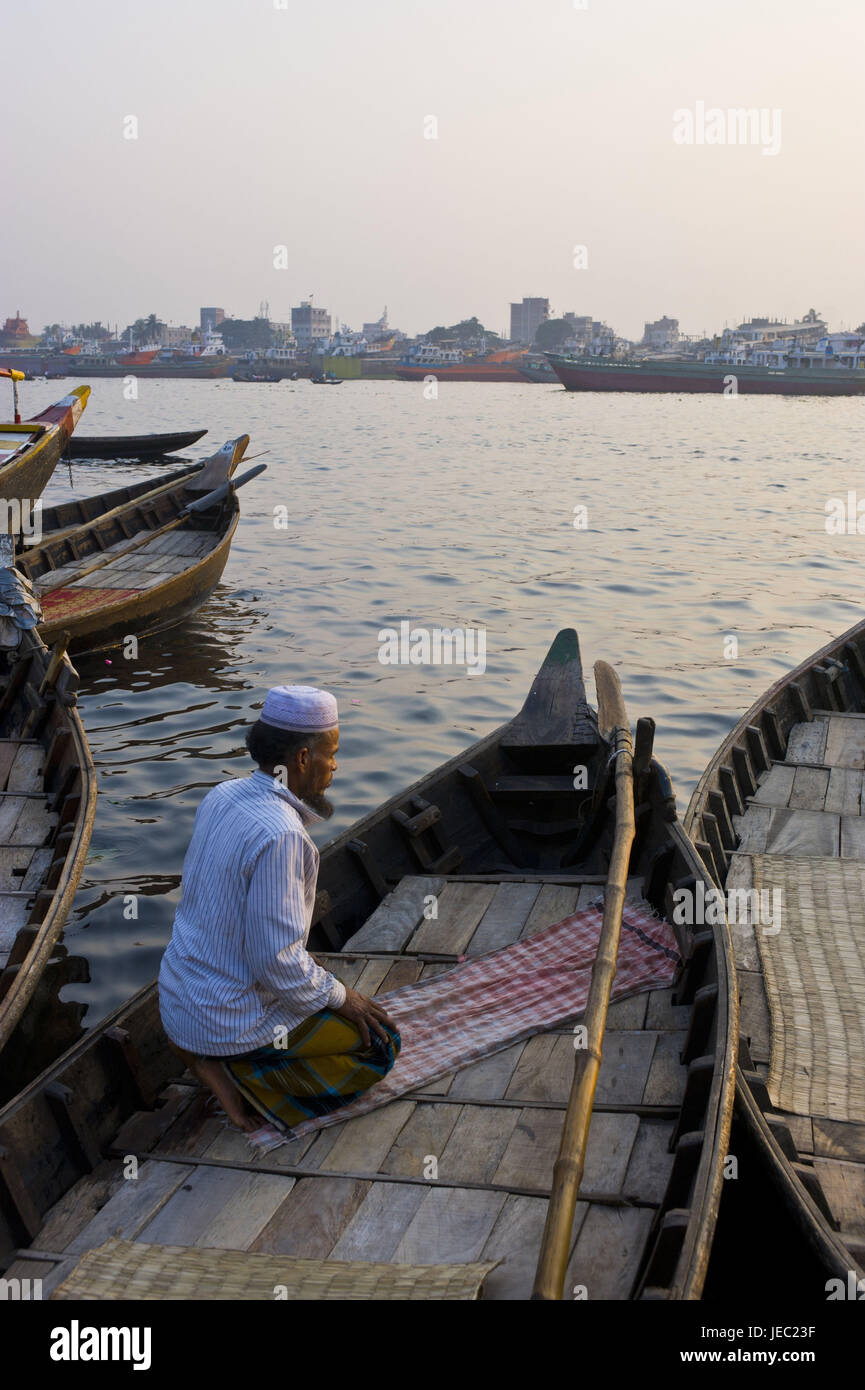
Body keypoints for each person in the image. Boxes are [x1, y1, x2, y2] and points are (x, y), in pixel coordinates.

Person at [158, 685, 400, 1149]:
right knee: (381, 1048)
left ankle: (204, 1058)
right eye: (332, 755)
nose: (336, 767)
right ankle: (249, 1077)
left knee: (312, 998)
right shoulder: (284, 836)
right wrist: (341, 996)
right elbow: (279, 963)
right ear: (304, 758)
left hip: (178, 1000)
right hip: (225, 1017)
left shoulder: (223, 794)